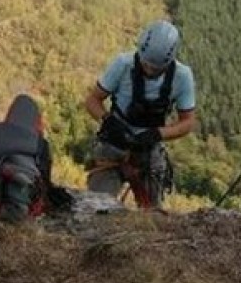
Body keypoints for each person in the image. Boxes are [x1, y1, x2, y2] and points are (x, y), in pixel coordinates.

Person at [84, 20, 196, 209]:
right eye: (146, 64)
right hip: (114, 141)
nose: (149, 70)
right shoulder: (123, 64)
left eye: (156, 68)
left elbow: (188, 122)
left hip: (148, 146)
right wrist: (108, 121)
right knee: (98, 207)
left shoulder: (182, 76)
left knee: (152, 211)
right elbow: (93, 101)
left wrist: (158, 134)